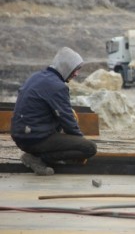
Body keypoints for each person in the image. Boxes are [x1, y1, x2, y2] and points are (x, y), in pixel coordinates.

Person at [10, 47, 97, 176]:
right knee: (90, 148)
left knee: (68, 119)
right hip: (34, 138)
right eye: (75, 70)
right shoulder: (57, 86)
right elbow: (68, 122)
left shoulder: (38, 76)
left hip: (22, 135)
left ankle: (40, 155)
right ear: (66, 67)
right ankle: (38, 159)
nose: (76, 74)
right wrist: (79, 144)